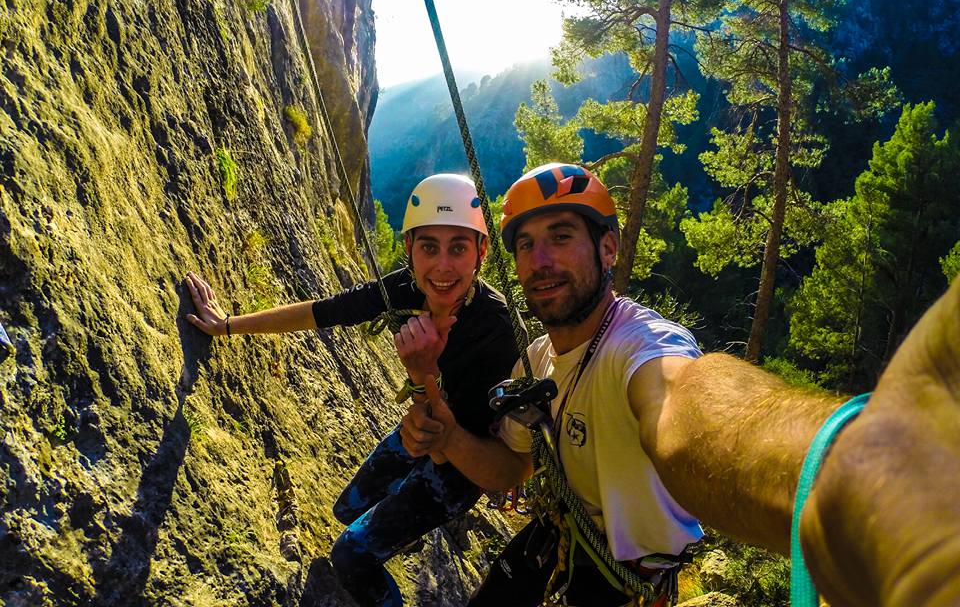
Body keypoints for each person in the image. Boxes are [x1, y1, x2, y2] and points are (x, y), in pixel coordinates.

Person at [399, 163, 960, 607]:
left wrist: (857, 475)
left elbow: (685, 405)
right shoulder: (537, 361)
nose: (541, 260)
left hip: (625, 581)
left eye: (562, 236)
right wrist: (447, 435)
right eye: (526, 245)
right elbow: (511, 469)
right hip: (559, 536)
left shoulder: (638, 347)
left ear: (608, 249)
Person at [185, 174, 520, 607]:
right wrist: (227, 325)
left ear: (481, 251)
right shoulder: (406, 287)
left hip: (459, 465)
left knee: (350, 556)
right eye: (428, 247)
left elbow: (444, 448)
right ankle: (401, 533)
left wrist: (423, 374)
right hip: (420, 430)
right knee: (347, 510)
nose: (442, 267)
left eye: (458, 247)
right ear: (409, 249)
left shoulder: (495, 333)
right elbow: (323, 312)